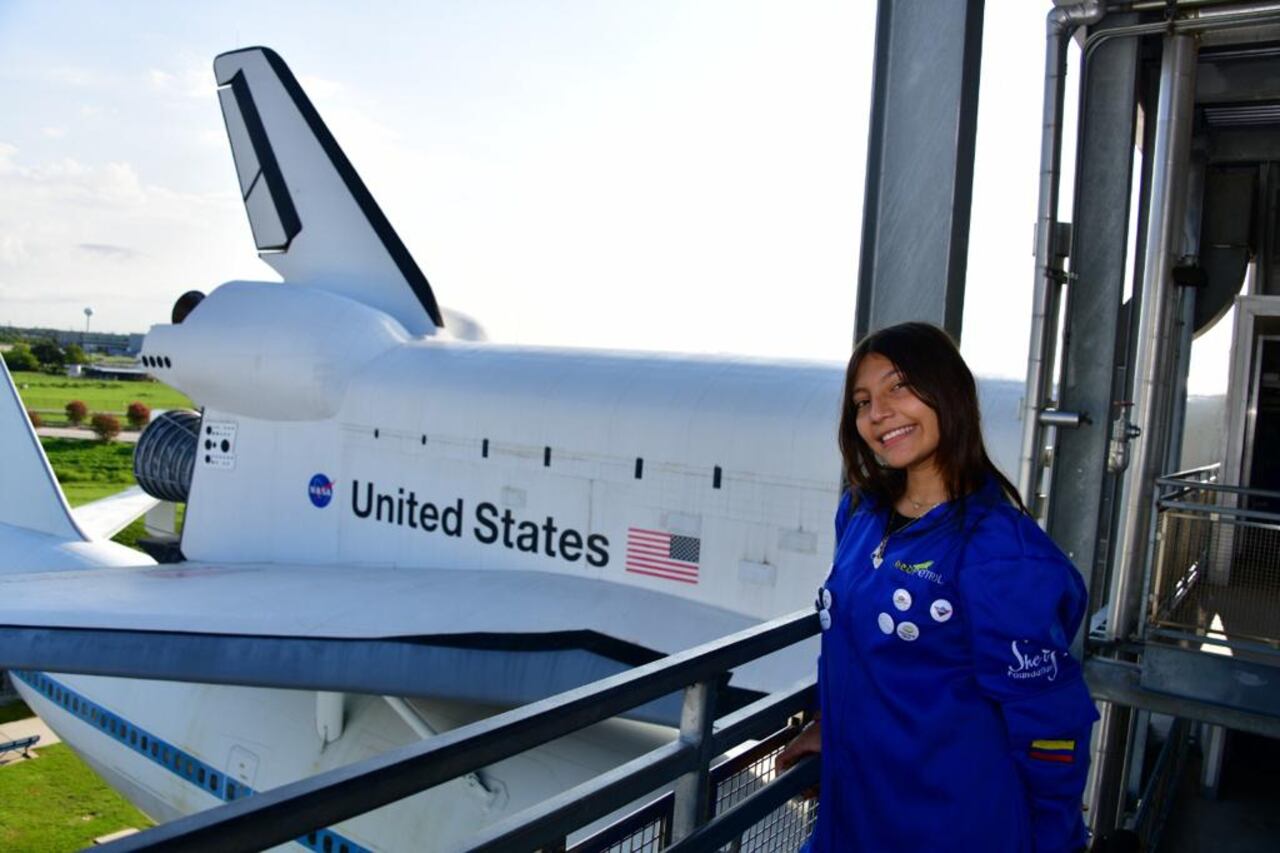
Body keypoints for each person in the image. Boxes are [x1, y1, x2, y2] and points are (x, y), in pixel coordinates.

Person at [777, 322, 1099, 852]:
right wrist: (827, 725)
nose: (877, 413)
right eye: (862, 401)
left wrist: (1056, 841)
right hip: (852, 817)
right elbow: (853, 647)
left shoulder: (1000, 552)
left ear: (949, 392)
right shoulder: (860, 514)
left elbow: (1049, 724)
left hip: (954, 824)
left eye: (898, 387)